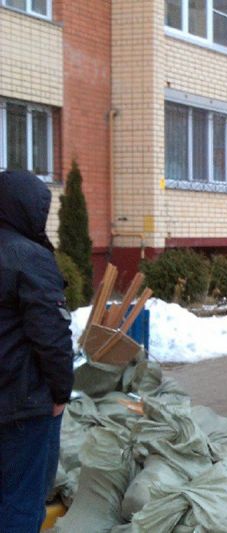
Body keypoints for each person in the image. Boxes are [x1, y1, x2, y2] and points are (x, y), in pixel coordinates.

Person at [0, 169, 74, 532]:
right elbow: (51, 335)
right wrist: (61, 392)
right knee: (20, 503)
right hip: (22, 402)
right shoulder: (29, 257)